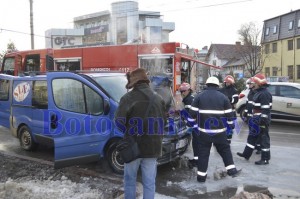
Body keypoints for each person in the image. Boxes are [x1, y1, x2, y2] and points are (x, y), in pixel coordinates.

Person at [114, 68, 166, 199]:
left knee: (130, 180)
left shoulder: (127, 98)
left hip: (132, 147)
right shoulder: (158, 98)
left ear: (133, 83)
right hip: (153, 147)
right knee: (149, 182)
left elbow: (119, 122)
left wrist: (129, 130)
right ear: (145, 81)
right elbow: (163, 122)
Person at [188, 76, 241, 183]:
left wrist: (193, 125)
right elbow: (230, 116)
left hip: (204, 133)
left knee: (203, 154)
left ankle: (201, 177)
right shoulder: (223, 97)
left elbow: (191, 115)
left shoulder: (199, 96)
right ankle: (232, 171)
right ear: (217, 86)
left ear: (207, 85)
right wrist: (230, 127)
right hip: (220, 132)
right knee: (225, 151)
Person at [237, 73, 272, 165]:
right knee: (252, 137)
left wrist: (262, 120)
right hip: (256, 118)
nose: (252, 85)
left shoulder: (264, 94)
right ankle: (246, 154)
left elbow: (266, 109)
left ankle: (265, 159)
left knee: (264, 139)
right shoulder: (258, 92)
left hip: (261, 119)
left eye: (254, 83)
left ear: (259, 83)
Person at [179, 82, 197, 168]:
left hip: (196, 125)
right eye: (181, 91)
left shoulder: (189, 100)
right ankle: (196, 160)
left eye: (184, 91)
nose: (182, 93)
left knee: (197, 144)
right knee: (196, 143)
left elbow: (190, 115)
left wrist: (188, 125)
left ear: (189, 90)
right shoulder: (189, 98)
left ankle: (197, 161)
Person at [243, 77, 261, 154]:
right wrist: (246, 114)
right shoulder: (250, 92)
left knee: (257, 132)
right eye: (248, 84)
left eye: (250, 84)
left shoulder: (256, 92)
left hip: (255, 116)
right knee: (252, 132)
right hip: (250, 116)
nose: (249, 85)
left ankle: (259, 147)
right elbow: (248, 104)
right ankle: (253, 146)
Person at [219, 75, 239, 143]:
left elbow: (235, 100)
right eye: (226, 82)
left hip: (231, 111)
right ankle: (220, 139)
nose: (227, 84)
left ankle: (228, 139)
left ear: (232, 83)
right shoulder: (221, 90)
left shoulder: (234, 91)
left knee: (229, 126)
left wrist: (227, 100)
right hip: (222, 111)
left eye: (228, 82)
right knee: (221, 125)